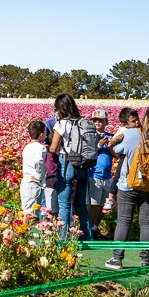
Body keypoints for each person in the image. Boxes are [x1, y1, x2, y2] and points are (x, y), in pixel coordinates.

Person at [106, 104, 149, 269]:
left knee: (124, 220)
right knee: (147, 222)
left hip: (129, 183)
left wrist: (113, 142)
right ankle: (145, 260)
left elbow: (119, 151)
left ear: (146, 117)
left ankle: (117, 258)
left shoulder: (134, 133)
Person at [48, 93, 91, 241]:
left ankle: (63, 237)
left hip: (67, 164)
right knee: (81, 205)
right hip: (84, 166)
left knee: (64, 204)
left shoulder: (61, 124)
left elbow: (53, 148)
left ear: (60, 108)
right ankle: (86, 237)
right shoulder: (83, 122)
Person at [103, 108, 141, 213]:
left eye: (137, 119)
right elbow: (114, 146)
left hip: (135, 158)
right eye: (133, 121)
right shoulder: (123, 131)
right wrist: (114, 142)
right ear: (125, 123)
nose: (137, 122)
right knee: (118, 174)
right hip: (124, 157)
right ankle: (111, 198)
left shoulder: (140, 130)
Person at [87, 110, 114, 240]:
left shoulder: (111, 136)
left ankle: (95, 228)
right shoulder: (89, 136)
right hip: (93, 174)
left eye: (100, 120)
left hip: (107, 175)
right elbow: (87, 154)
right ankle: (88, 229)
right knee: (93, 204)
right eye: (95, 120)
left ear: (106, 122)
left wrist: (109, 146)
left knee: (103, 205)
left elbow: (117, 155)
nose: (97, 122)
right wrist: (98, 145)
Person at [21, 121, 47, 220]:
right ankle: (23, 233)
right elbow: (38, 161)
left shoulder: (27, 147)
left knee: (27, 211)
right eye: (44, 133)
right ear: (41, 135)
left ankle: (24, 233)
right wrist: (40, 176)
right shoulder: (40, 148)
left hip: (26, 182)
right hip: (34, 183)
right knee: (31, 214)